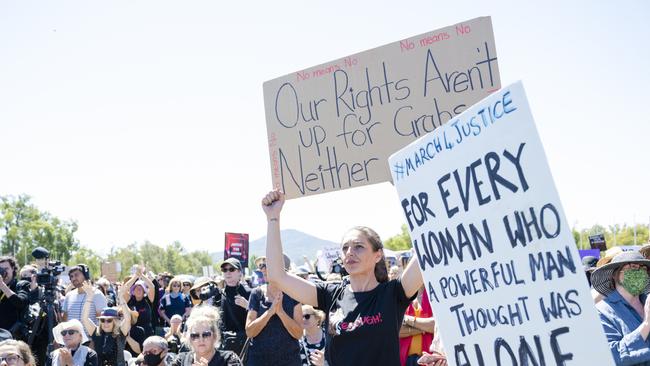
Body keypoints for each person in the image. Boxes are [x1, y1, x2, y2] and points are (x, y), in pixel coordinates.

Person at [261, 190, 423, 366]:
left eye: (359, 247)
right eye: (345, 248)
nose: (350, 253)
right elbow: (277, 276)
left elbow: (426, 250)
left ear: (378, 255)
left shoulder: (393, 293)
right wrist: (273, 217)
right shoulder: (330, 294)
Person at [591, 251, 650, 365]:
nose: (639, 272)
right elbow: (611, 356)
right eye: (633, 267)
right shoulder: (601, 312)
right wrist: (646, 325)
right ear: (615, 274)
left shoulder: (647, 301)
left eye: (643, 269)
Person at [245, 257, 303, 366]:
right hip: (259, 360)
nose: (262, 270)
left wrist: (281, 312)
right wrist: (270, 312)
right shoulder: (256, 294)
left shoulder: (293, 294)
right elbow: (249, 332)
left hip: (289, 361)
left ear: (281, 269)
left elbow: (299, 334)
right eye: (260, 266)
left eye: (265, 265)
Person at [81, 282, 132, 366]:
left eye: (109, 320)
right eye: (102, 320)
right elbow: (84, 318)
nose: (105, 323)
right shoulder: (96, 332)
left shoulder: (120, 332)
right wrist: (89, 297)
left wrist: (121, 297)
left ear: (115, 321)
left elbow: (127, 319)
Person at [171, 306, 241, 366]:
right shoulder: (181, 360)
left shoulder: (229, 359)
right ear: (189, 338)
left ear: (215, 336)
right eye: (195, 336)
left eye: (206, 335)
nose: (201, 339)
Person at [213, 258, 251, 355]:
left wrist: (247, 306)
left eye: (231, 269)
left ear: (239, 272)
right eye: (225, 270)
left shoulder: (249, 293)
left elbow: (260, 317)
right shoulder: (219, 295)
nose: (227, 272)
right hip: (225, 346)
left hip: (245, 345)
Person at [62, 265, 108, 329]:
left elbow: (102, 320)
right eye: (71, 276)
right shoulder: (69, 295)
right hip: (71, 337)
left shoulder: (97, 294)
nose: (73, 278)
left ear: (85, 276)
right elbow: (65, 319)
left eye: (76, 275)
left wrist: (96, 337)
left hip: (90, 338)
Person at [399, 288, 435, 366]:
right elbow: (396, 329)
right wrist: (425, 327)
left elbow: (437, 326)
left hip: (429, 360)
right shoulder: (400, 294)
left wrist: (407, 319)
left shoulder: (434, 293)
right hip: (403, 360)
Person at [0, 256, 29, 336]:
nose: (3, 272)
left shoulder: (21, 285)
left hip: (12, 336)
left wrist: (2, 286)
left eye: (6, 269)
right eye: (0, 269)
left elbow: (21, 303)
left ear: (13, 269)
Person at [123, 267, 156, 338]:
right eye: (136, 288)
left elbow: (152, 286)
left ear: (144, 291)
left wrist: (141, 275)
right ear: (133, 291)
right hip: (131, 333)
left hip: (146, 333)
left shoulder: (148, 300)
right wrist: (135, 276)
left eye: (141, 288)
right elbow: (125, 287)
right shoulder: (129, 299)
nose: (138, 290)